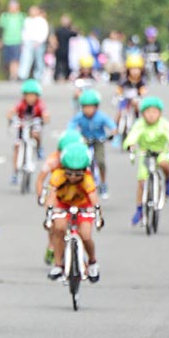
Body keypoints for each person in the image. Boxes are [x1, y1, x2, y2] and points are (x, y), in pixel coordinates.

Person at [43, 142, 104, 282]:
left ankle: (92, 262)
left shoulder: (87, 180)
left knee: (86, 235)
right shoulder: (57, 176)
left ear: (84, 171)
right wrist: (49, 214)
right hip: (63, 204)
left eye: (78, 174)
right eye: (69, 173)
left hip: (83, 205)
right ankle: (58, 265)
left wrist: (98, 216)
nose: (73, 177)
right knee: (59, 228)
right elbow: (51, 197)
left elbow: (94, 199)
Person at [122, 96, 169, 225]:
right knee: (142, 182)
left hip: (161, 152)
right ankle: (139, 209)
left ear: (160, 113)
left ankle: (168, 181)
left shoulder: (164, 124)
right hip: (145, 153)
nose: (151, 115)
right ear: (142, 113)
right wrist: (130, 145)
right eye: (148, 112)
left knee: (164, 164)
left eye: (155, 112)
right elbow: (132, 136)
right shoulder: (140, 124)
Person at [35, 129, 83, 265]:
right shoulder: (53, 160)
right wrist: (40, 196)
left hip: (76, 193)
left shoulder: (83, 160)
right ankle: (52, 244)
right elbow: (40, 180)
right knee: (54, 223)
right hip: (56, 191)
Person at [68, 89, 117, 199]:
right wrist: (71, 135)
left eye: (91, 107)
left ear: (96, 107)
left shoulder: (101, 116)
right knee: (81, 162)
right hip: (84, 140)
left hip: (99, 141)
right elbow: (71, 126)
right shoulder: (80, 116)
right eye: (85, 107)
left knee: (100, 161)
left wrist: (113, 132)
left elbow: (112, 125)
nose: (88, 110)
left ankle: (103, 184)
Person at [6, 79, 50, 183]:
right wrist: (11, 117)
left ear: (37, 96)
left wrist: (44, 118)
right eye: (28, 95)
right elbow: (12, 111)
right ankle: (15, 172)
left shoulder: (40, 104)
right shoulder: (21, 104)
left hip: (34, 126)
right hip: (23, 126)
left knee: (36, 134)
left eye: (33, 95)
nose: (30, 98)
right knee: (17, 146)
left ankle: (39, 148)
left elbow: (46, 115)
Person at [17, 6, 49, 81]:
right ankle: (23, 75)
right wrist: (24, 42)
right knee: (26, 59)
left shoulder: (41, 21)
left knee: (39, 60)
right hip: (28, 42)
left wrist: (40, 41)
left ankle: (39, 76)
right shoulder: (27, 20)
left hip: (38, 42)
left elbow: (44, 32)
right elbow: (24, 32)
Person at [115, 54, 148, 124]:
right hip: (125, 100)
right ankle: (117, 128)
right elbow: (119, 89)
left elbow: (143, 90)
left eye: (137, 69)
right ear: (128, 70)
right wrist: (118, 94)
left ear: (141, 70)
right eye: (132, 69)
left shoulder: (142, 81)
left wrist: (142, 94)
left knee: (139, 108)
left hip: (136, 100)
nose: (135, 71)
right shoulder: (124, 80)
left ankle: (138, 121)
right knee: (119, 113)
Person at [0, 0, 25, 81]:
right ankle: (12, 73)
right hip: (7, 40)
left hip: (17, 41)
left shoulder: (21, 16)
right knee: (8, 60)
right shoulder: (5, 16)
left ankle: (14, 75)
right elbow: (0, 29)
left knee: (16, 59)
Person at [53, 14, 76, 82]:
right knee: (60, 64)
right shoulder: (63, 31)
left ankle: (63, 76)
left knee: (63, 64)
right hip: (62, 49)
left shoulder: (64, 30)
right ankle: (61, 76)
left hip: (64, 50)